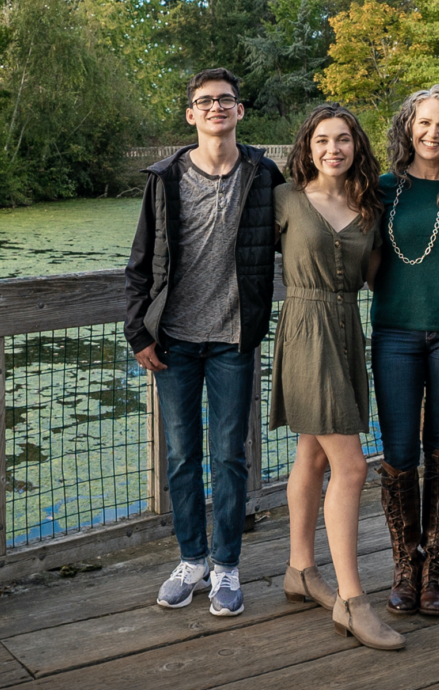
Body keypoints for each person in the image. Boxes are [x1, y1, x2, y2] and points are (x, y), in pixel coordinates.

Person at [125, 67, 284, 617]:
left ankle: (226, 566)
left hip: (234, 340)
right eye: (205, 101)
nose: (216, 108)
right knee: (180, 455)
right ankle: (191, 559)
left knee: (230, 457)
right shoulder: (165, 177)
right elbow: (141, 262)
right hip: (174, 340)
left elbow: (306, 227)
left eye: (226, 100)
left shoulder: (264, 175)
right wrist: (137, 330)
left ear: (240, 111)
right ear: (191, 114)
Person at [269, 103, 404, 651]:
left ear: (356, 146)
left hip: (346, 328)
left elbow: (377, 279)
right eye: (323, 139)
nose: (333, 148)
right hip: (304, 330)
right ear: (307, 146)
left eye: (344, 139)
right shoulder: (283, 200)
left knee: (315, 453)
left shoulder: (369, 208)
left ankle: (300, 570)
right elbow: (242, 260)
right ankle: (352, 600)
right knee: (352, 466)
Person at [370, 85, 439, 618]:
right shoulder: (383, 189)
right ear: (407, 128)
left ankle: (433, 563)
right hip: (394, 331)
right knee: (398, 450)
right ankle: (403, 565)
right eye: (423, 124)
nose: (432, 133)